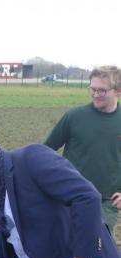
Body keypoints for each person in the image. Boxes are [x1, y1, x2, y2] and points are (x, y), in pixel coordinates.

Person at [44, 65, 121, 236]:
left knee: (99, 248)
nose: (95, 94)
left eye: (102, 91)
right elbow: (45, 151)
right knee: (66, 248)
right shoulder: (74, 117)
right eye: (92, 89)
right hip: (70, 198)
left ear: (118, 91)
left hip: (106, 203)